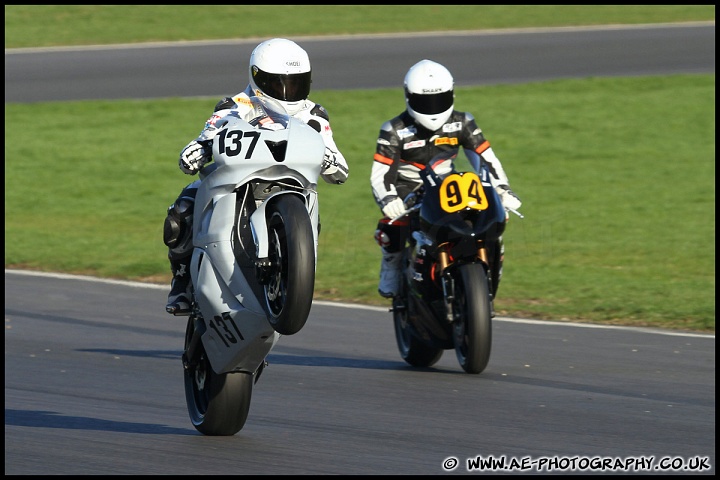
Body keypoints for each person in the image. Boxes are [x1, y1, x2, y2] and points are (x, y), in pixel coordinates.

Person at [163, 38, 349, 315]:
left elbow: (340, 170)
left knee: (311, 218)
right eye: (279, 83)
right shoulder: (235, 105)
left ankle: (294, 272)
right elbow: (210, 134)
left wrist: (330, 159)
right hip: (241, 181)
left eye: (297, 82)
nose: (288, 91)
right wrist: (198, 148)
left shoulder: (314, 115)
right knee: (185, 203)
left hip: (293, 187)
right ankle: (182, 281)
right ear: (257, 78)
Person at [370, 59, 521, 298]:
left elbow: (485, 159)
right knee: (392, 225)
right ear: (409, 98)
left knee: (493, 215)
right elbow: (380, 174)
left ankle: (489, 264)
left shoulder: (463, 122)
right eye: (424, 102)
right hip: (409, 188)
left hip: (448, 185)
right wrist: (388, 199)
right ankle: (391, 264)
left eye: (439, 100)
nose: (432, 108)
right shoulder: (394, 129)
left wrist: (502, 189)